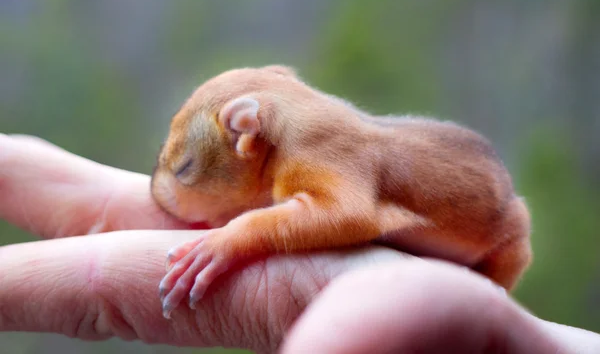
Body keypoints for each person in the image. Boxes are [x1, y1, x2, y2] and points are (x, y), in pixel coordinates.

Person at [0, 133, 598, 354]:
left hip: (487, 238)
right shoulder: (309, 155)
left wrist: (237, 237)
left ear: (248, 134)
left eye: (182, 170)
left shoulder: (319, 157)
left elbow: (344, 212)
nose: (166, 196)